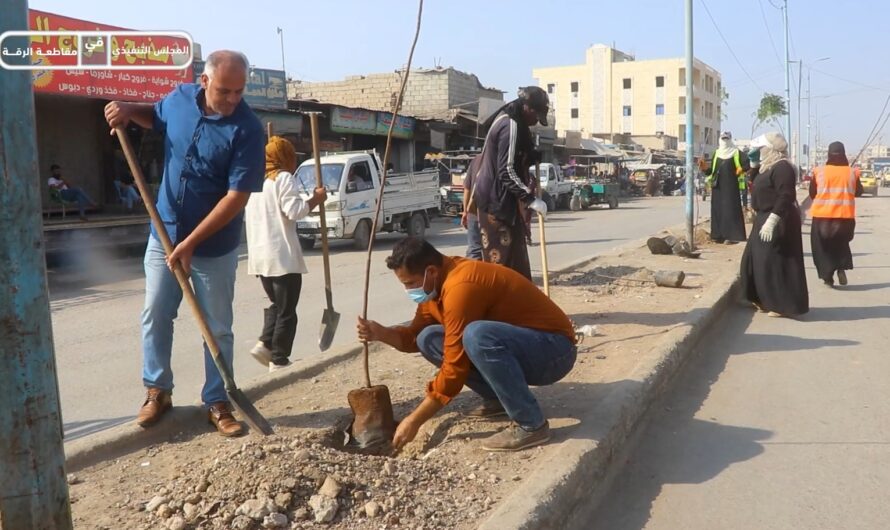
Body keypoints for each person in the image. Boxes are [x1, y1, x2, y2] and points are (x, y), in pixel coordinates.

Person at [104, 50, 265, 437]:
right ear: (204, 82)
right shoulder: (178, 99)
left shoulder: (247, 129)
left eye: (238, 92)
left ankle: (218, 399)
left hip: (214, 246)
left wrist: (192, 243)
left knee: (217, 326)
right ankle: (157, 390)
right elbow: (155, 118)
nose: (231, 100)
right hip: (164, 233)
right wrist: (128, 110)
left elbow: (236, 197)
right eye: (224, 91)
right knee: (156, 314)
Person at [356, 238, 577, 451]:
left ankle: (531, 424)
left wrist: (414, 420)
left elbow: (454, 367)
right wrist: (381, 333)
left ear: (430, 271)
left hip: (554, 351)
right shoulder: (435, 287)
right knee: (429, 338)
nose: (408, 290)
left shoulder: (461, 285)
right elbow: (415, 337)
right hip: (525, 348)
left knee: (477, 335)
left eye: (410, 283)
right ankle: (498, 400)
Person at [246, 136, 327, 372]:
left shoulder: (254, 183)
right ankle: (279, 359)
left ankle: (265, 344)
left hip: (261, 258)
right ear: (285, 157)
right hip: (281, 256)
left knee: (278, 304)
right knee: (287, 311)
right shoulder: (283, 179)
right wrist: (316, 199)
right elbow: (295, 211)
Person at [472, 86, 549, 280]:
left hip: (506, 203)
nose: (535, 122)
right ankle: (501, 309)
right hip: (495, 205)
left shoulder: (518, 123)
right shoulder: (510, 125)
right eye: (536, 116)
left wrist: (531, 155)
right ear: (527, 108)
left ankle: (520, 307)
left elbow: (515, 158)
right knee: (501, 266)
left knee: (518, 262)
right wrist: (530, 199)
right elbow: (506, 170)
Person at [740, 132, 809, 317]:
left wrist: (772, 221)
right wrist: (754, 165)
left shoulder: (782, 167)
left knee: (774, 261)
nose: (759, 152)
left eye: (762, 149)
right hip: (763, 216)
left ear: (771, 149)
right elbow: (754, 184)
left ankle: (781, 304)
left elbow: (785, 195)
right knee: (754, 258)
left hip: (779, 218)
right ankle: (760, 298)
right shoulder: (767, 167)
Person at [809, 141, 862, 286]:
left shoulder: (819, 171)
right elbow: (859, 192)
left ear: (828, 154)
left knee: (822, 248)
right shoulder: (852, 172)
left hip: (822, 218)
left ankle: (828, 277)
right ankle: (840, 267)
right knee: (841, 244)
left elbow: (812, 193)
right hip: (845, 218)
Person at [705, 131, 749, 243]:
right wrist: (704, 167)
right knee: (717, 211)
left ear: (730, 139)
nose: (725, 141)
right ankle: (717, 235)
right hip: (717, 188)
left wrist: (741, 169)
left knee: (730, 210)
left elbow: (747, 163)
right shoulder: (716, 153)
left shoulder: (736, 152)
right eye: (723, 138)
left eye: (727, 138)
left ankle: (732, 236)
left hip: (731, 188)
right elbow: (711, 171)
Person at [460, 154, 484, 260]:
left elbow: (467, 188)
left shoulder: (476, 160)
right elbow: (467, 188)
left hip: (474, 211)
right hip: (490, 213)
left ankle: (473, 274)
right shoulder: (500, 158)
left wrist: (465, 211)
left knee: (474, 249)